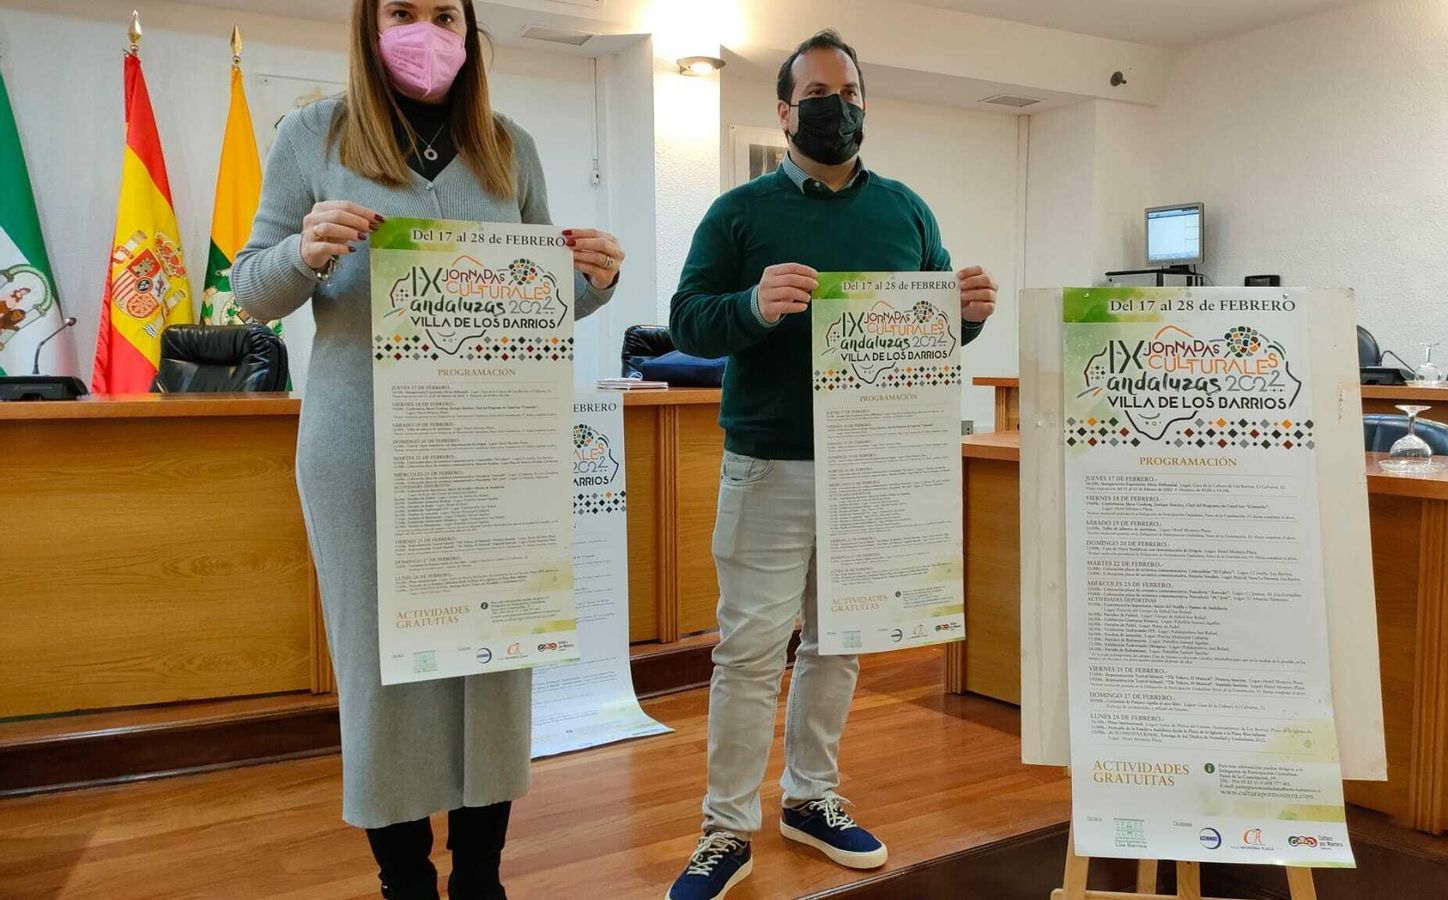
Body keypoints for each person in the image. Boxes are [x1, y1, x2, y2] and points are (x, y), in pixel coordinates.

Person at [232, 2, 623, 898]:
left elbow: (542, 294)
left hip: (493, 442)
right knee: (385, 670)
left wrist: (596, 280)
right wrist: (303, 249)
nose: (425, 28)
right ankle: (404, 878)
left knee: (496, 653)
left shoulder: (510, 146)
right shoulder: (310, 133)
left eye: (444, 12)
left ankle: (481, 874)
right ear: (370, 26)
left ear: (470, 28)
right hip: (361, 447)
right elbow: (252, 293)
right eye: (401, 11)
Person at [664, 28, 999, 900]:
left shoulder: (906, 211)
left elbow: (930, 333)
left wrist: (965, 314)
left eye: (848, 93)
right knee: (748, 654)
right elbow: (689, 321)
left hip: (873, 468)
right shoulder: (737, 213)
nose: (835, 106)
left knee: (840, 644)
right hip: (769, 463)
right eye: (816, 93)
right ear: (783, 112)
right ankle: (724, 829)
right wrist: (751, 304)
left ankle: (811, 799)